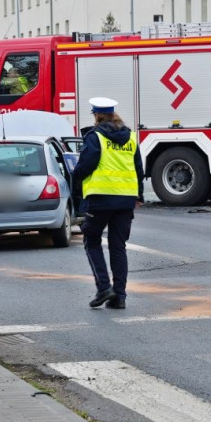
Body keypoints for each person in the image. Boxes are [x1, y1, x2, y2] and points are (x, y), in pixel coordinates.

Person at [72, 97, 144, 310]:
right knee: (118, 246)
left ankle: (104, 287)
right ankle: (119, 296)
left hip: (100, 199)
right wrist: (139, 196)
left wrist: (75, 177)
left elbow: (86, 165)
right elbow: (138, 168)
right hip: (125, 200)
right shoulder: (131, 137)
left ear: (96, 115)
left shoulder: (95, 137)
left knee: (91, 240)